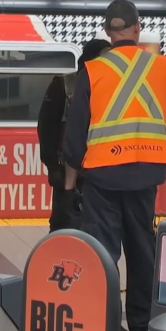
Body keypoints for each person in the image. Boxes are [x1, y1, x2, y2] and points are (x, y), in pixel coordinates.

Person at [63, 0, 166, 331]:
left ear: (108, 32)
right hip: (145, 175)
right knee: (142, 254)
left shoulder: (93, 70)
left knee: (103, 255)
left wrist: (77, 167)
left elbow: (76, 131)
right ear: (137, 28)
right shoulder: (159, 66)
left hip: (102, 179)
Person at [37, 39, 112, 232]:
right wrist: (52, 165)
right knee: (67, 227)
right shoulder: (63, 86)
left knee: (98, 231)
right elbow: (46, 128)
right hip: (68, 174)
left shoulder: (111, 90)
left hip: (101, 176)